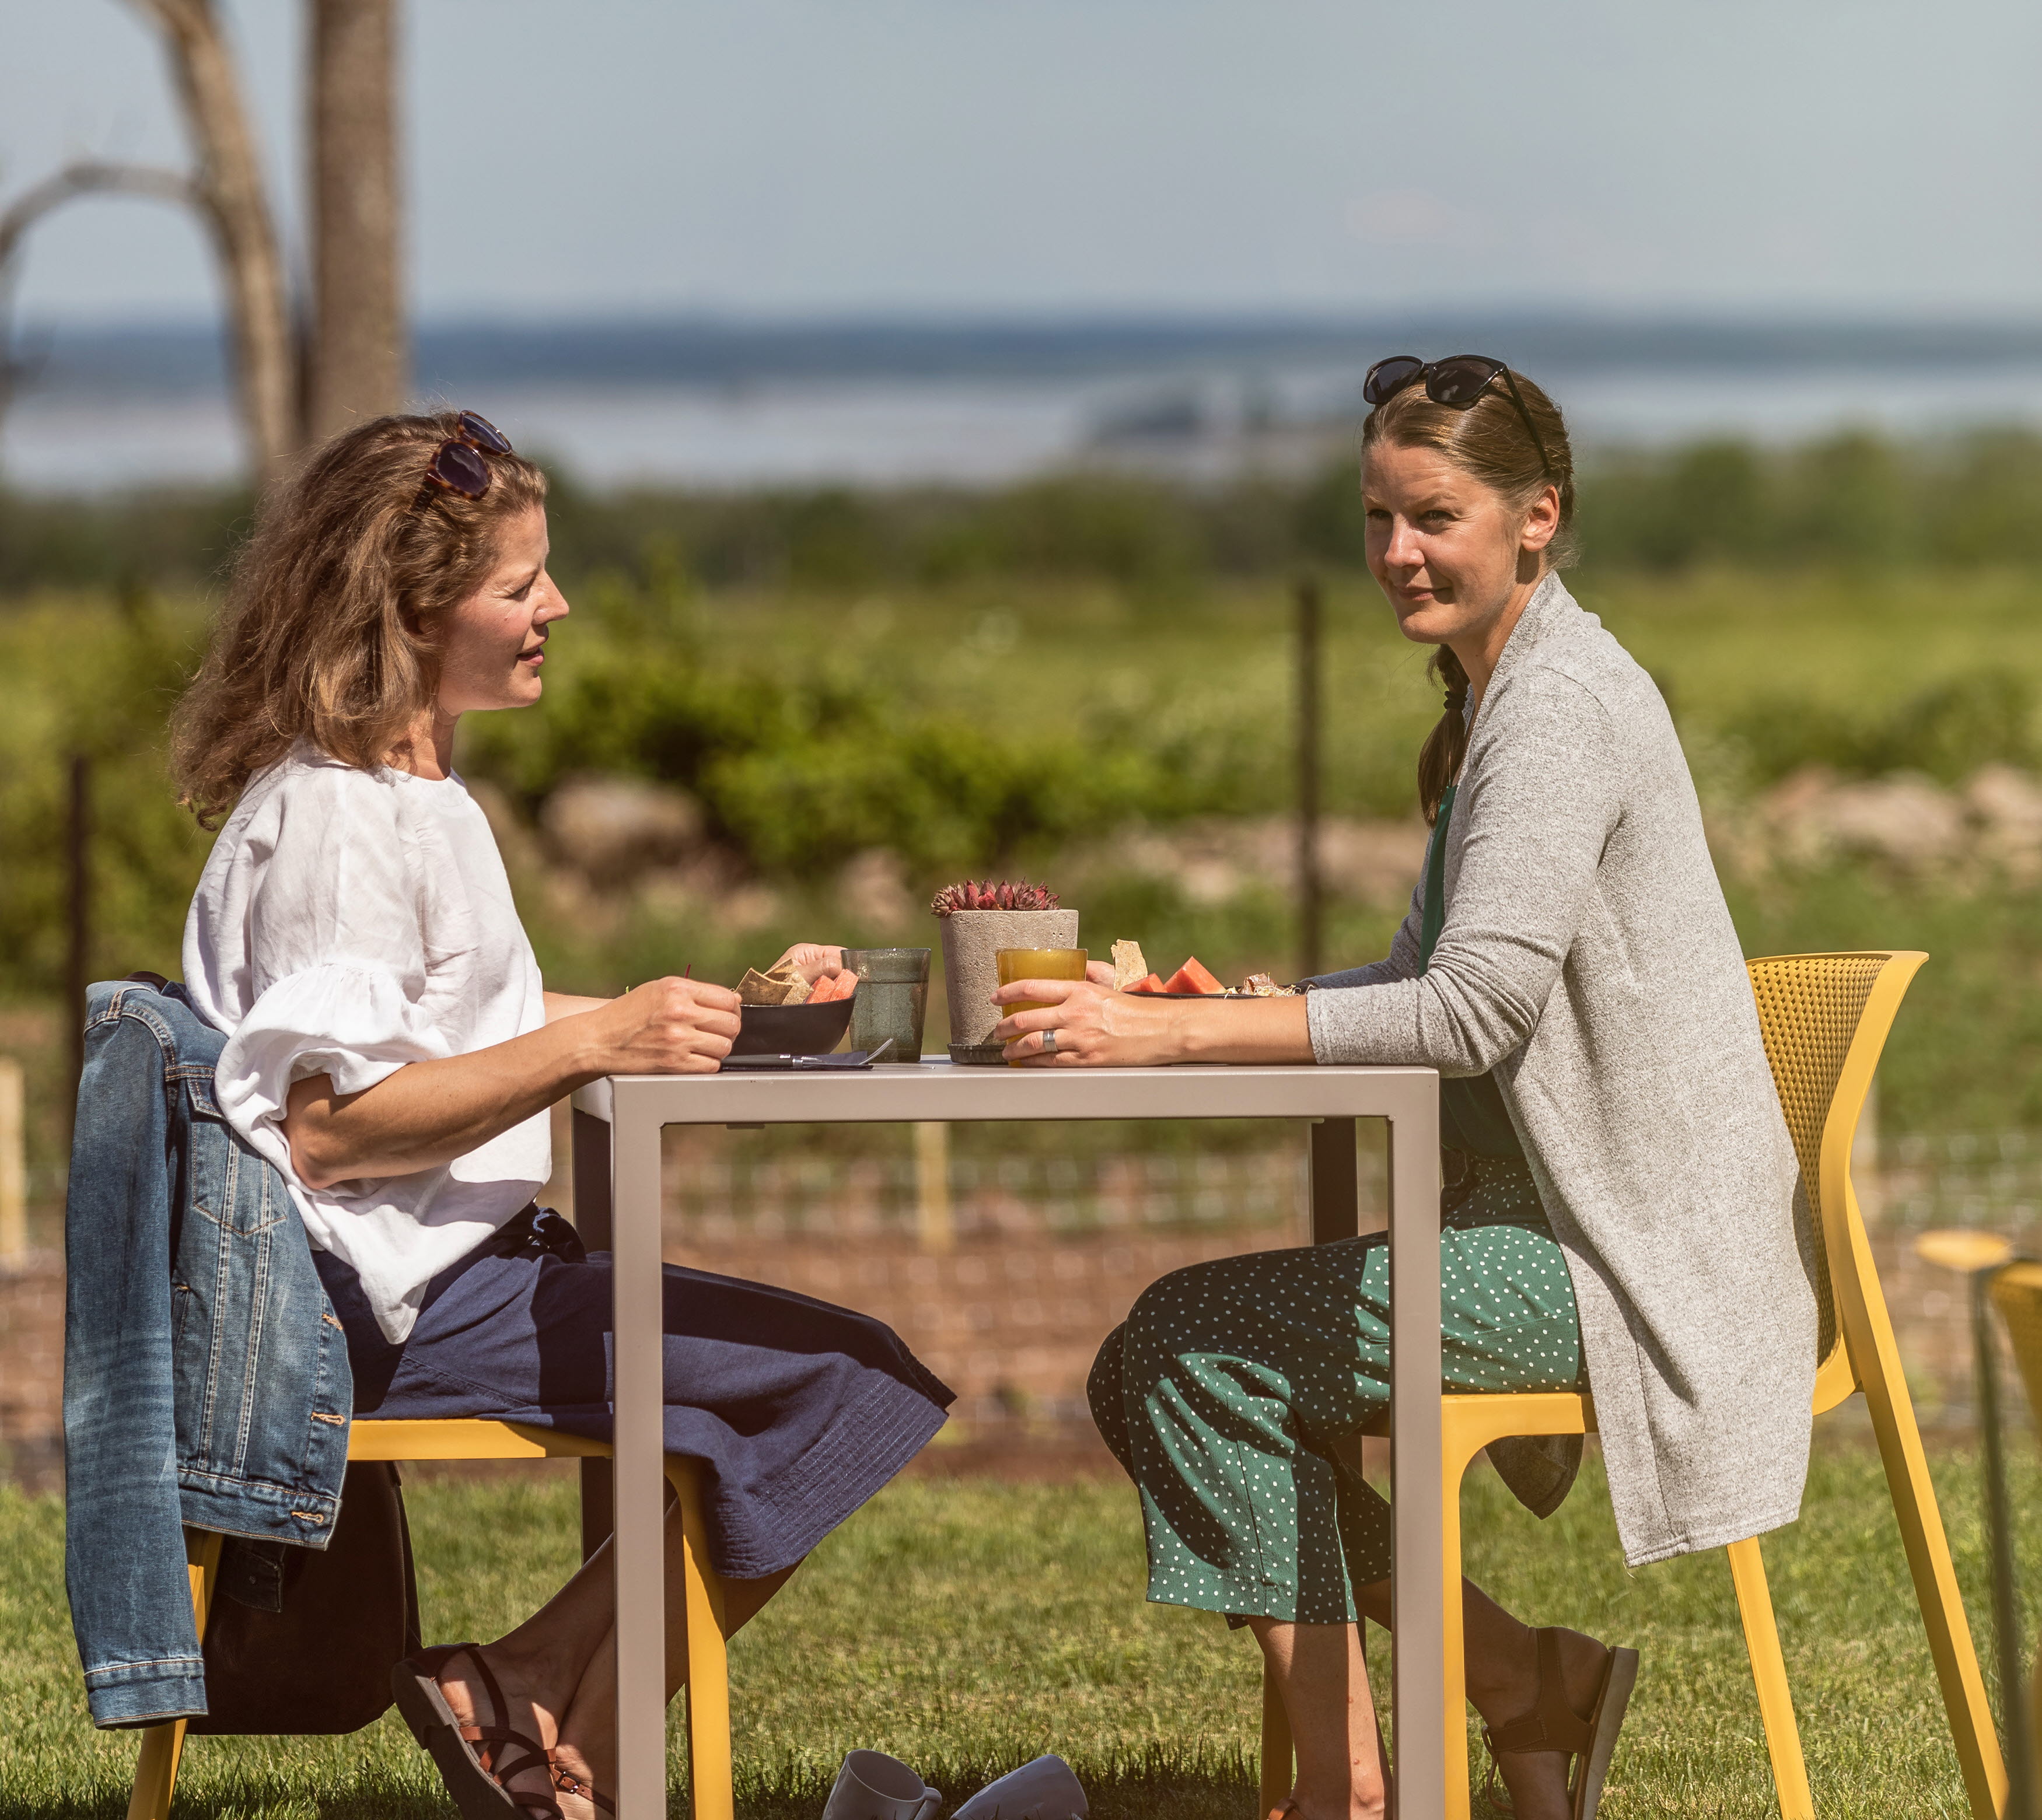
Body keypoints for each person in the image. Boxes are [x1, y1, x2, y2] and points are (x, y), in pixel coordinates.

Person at [991, 358, 1814, 1820]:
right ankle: (1512, 1679)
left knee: (1190, 1346)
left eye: (1431, 517)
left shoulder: (1558, 710)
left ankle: (1352, 1791)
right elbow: (1419, 982)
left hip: (1621, 1263)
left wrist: (1168, 1045)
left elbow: (1469, 1014)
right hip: (1554, 1225)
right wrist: (1249, 1007)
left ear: (1536, 517)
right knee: (1160, 1363)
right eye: (1376, 517)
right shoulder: (1503, 698)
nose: (1394, 555)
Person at [170, 411, 952, 1820]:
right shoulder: (344, 826)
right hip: (380, 1315)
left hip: (456, 1274)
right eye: (519, 585)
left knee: (835, 1379)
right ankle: (537, 1713)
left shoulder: (412, 799)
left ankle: (526, 1707)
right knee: (854, 1386)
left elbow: (460, 1028)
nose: (557, 608)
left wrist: (718, 1017)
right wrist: (601, 1035)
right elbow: (337, 1129)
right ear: (410, 611)